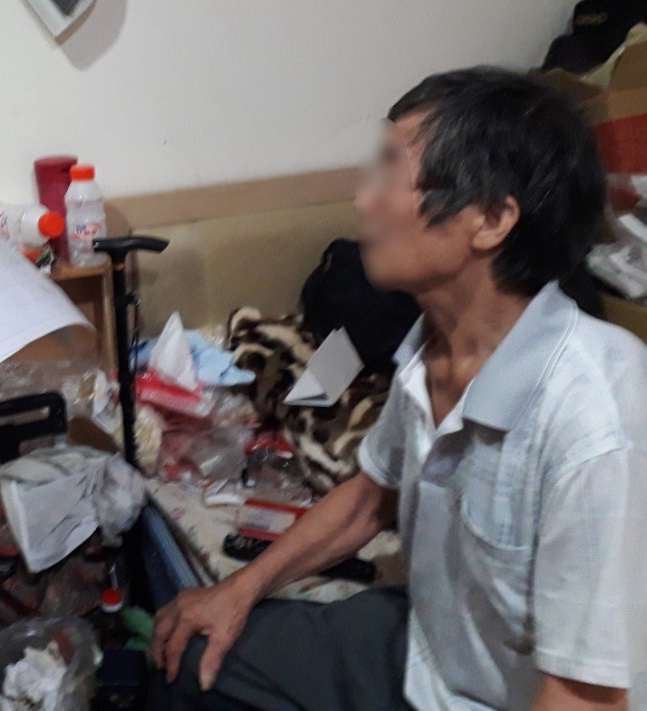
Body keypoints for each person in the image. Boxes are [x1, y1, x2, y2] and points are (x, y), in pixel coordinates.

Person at [151, 69, 646, 710]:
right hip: (423, 653)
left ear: (491, 218)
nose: (363, 202)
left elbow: (587, 697)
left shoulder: (596, 419)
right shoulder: (428, 345)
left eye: (391, 175)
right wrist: (239, 589)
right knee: (190, 657)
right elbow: (370, 497)